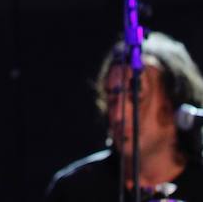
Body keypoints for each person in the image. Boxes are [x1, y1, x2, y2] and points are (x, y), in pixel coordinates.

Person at [46, 31, 203, 200]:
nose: (119, 115)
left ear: (175, 101)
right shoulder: (74, 189)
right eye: (112, 99)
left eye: (136, 97)